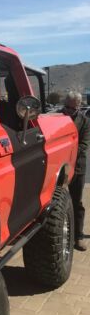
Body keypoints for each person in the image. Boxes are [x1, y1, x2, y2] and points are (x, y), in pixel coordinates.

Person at [62, 92, 90, 251]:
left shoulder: (85, 121)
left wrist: (64, 154)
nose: (69, 111)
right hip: (58, 168)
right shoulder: (58, 119)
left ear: (78, 106)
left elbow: (84, 145)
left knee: (76, 201)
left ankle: (78, 236)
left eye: (73, 108)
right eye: (67, 107)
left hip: (77, 167)